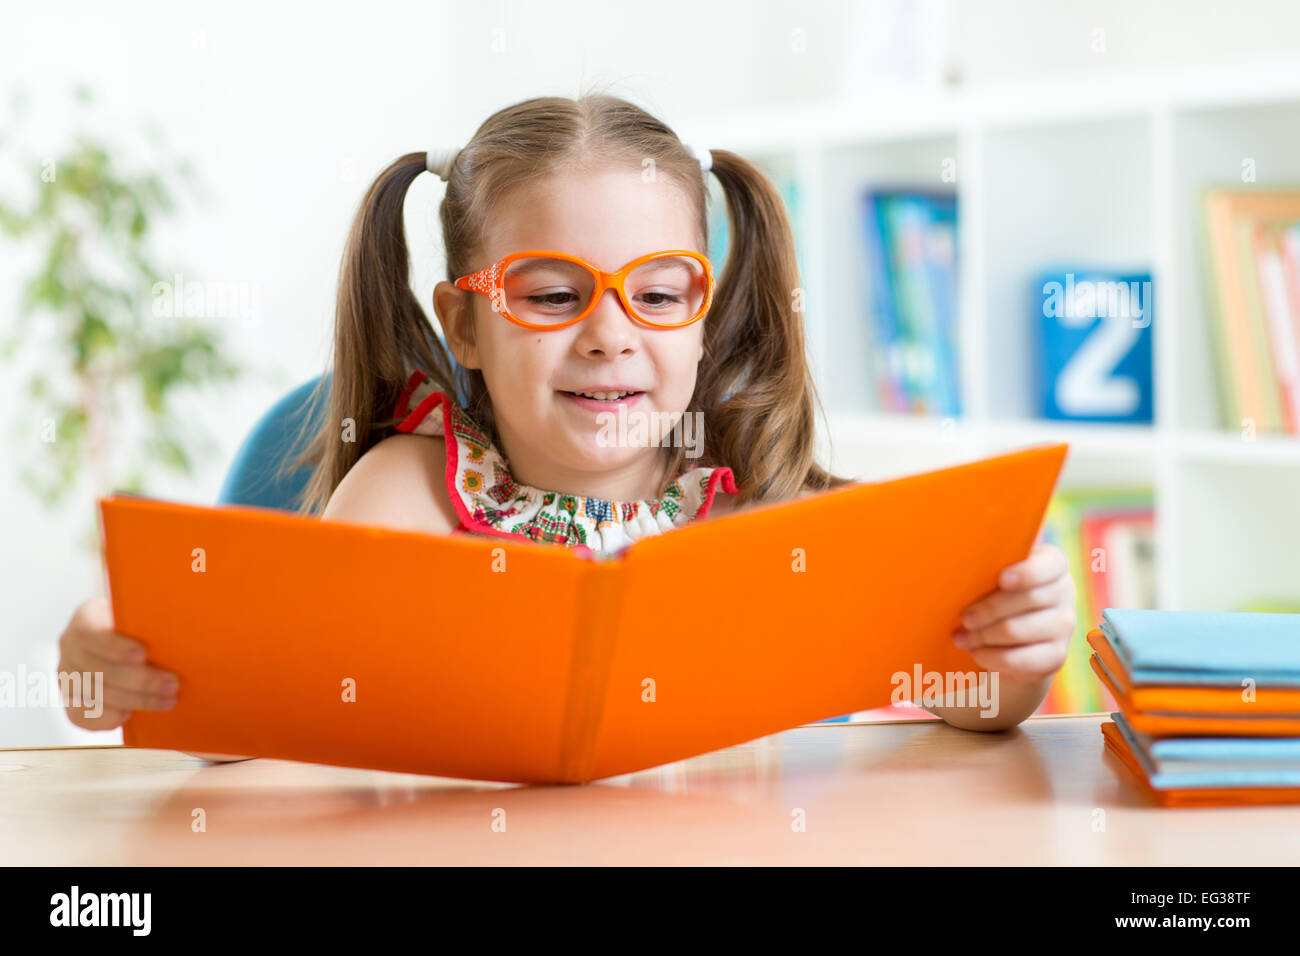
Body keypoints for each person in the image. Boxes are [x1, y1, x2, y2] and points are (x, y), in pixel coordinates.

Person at [57, 94, 1076, 757]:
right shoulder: (407, 494)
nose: (609, 336)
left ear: (702, 312)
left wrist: (1011, 661)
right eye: (550, 294)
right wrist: (119, 664)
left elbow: (959, 699)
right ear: (461, 319)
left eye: (659, 293)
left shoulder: (759, 500)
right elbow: (254, 717)